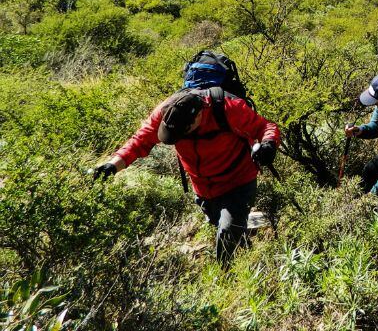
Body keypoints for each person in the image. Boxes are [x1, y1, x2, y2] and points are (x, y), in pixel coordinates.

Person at [93, 88, 280, 265]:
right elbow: (140, 141)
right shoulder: (166, 111)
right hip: (203, 188)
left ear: (198, 116)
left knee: (228, 232)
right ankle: (245, 254)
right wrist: (112, 166)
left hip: (238, 180)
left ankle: (228, 278)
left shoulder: (228, 109)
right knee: (222, 226)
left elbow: (265, 127)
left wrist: (268, 145)